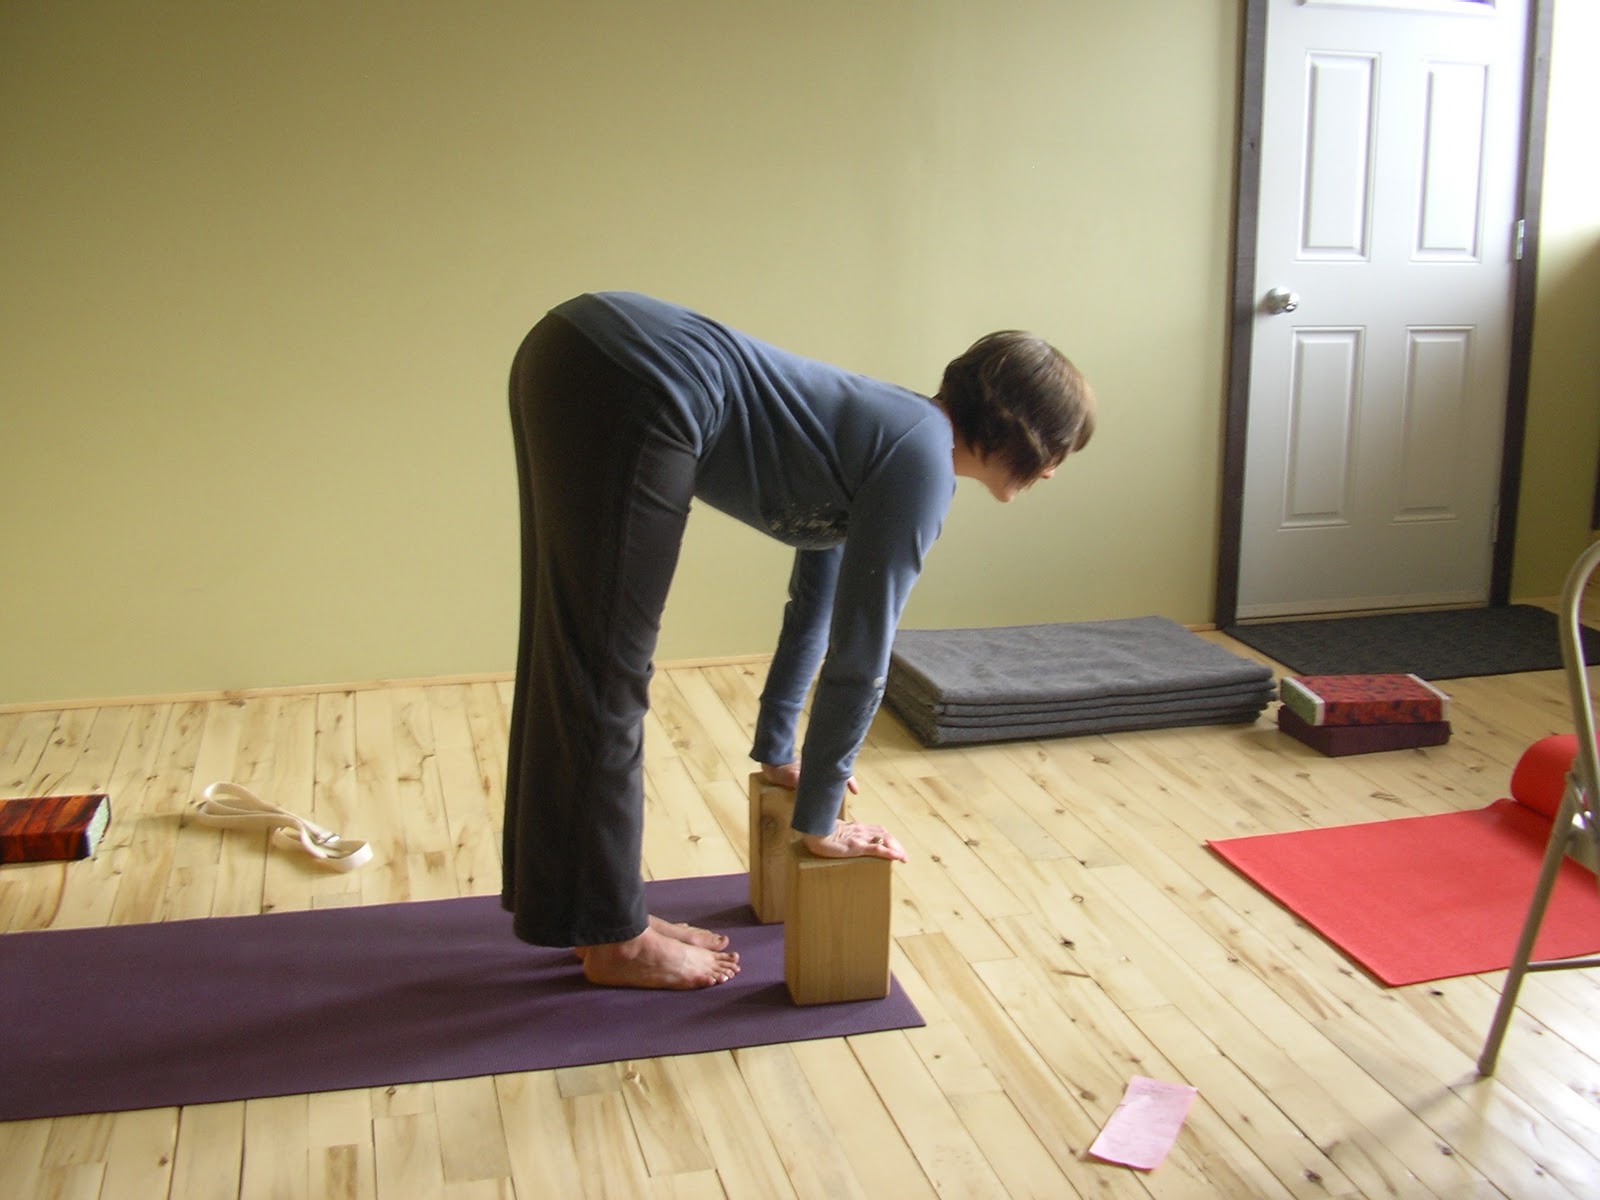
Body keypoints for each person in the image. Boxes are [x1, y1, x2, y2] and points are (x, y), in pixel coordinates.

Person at [501, 292, 1095, 990]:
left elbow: (814, 604)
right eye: (1058, 451)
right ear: (1025, 432)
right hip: (631, 373)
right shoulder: (921, 461)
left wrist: (785, 755)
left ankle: (596, 915)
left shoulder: (896, 432)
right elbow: (862, 653)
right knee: (604, 672)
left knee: (578, 656)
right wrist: (820, 823)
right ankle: (618, 942)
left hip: (580, 349)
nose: (1052, 472)